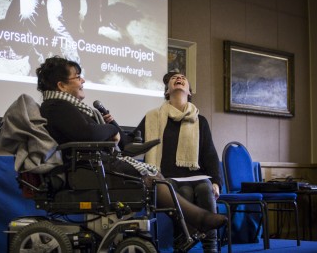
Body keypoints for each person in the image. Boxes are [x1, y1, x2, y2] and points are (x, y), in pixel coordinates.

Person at [35, 56, 227, 251]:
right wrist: (111, 130)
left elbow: (123, 142)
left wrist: (110, 125)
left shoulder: (68, 106)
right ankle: (196, 223)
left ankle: (199, 228)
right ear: (61, 85)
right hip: (88, 168)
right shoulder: (57, 106)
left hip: (95, 165)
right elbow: (91, 134)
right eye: (78, 77)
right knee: (158, 180)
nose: (82, 80)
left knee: (180, 184)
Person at [121, 70, 222, 253]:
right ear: (167, 91)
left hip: (197, 176)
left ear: (189, 92)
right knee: (182, 191)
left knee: (205, 188)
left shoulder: (200, 120)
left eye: (183, 78)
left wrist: (216, 181)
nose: (179, 78)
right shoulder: (153, 117)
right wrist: (113, 125)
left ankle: (211, 247)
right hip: (167, 176)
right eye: (175, 78)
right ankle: (181, 245)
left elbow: (210, 154)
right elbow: (131, 143)